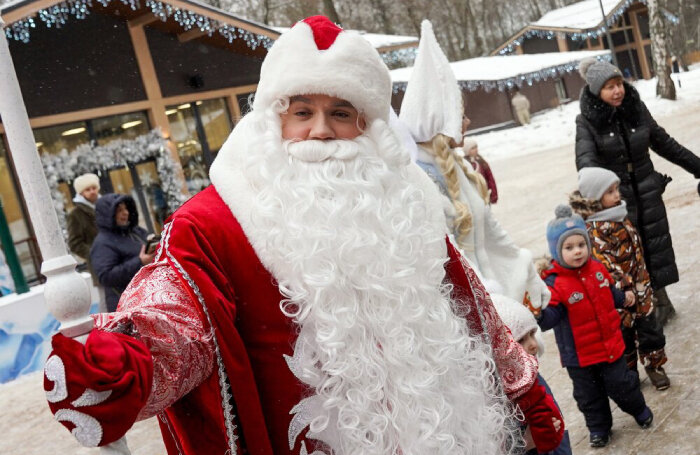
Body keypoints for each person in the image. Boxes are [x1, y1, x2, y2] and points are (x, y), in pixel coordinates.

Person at [43, 16, 565, 455]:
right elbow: (175, 317)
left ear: (369, 126)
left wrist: (527, 393)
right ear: (276, 118)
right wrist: (124, 362)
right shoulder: (213, 222)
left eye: (340, 113)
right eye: (302, 112)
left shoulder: (404, 202)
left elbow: (468, 305)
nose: (320, 130)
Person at [399, 19, 550, 314]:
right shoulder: (417, 180)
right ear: (438, 123)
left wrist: (525, 270)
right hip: (465, 311)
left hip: (493, 302)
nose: (467, 123)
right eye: (461, 116)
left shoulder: (456, 166)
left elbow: (491, 231)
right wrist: (493, 303)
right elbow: (448, 258)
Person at [575, 57, 700, 325]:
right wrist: (599, 195)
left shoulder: (636, 109)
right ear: (597, 91)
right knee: (629, 253)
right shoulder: (587, 122)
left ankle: (662, 301)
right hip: (616, 199)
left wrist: (697, 166)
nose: (617, 90)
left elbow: (664, 143)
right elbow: (585, 161)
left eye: (619, 83)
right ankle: (640, 307)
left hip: (647, 189)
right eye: (609, 87)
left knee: (655, 245)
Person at [539, 204, 653, 448]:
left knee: (622, 384)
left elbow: (610, 295)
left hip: (610, 346)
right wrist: (538, 314)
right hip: (578, 358)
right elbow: (551, 317)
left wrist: (624, 299)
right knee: (589, 397)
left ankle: (639, 408)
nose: (577, 251)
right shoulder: (554, 283)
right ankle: (599, 428)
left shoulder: (598, 269)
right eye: (568, 248)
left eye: (581, 245)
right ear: (556, 251)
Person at [570, 167, 669, 390]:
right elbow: (606, 264)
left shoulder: (620, 214)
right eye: (610, 192)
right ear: (595, 199)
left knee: (650, 329)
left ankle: (655, 365)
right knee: (624, 334)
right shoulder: (595, 229)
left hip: (641, 285)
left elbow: (636, 248)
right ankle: (629, 372)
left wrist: (642, 278)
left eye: (616, 189)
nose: (617, 195)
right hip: (621, 295)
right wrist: (624, 288)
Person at [492, 294, 572, 455]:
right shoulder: (495, 398)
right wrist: (523, 443)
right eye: (521, 340)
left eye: (533, 334)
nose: (534, 345)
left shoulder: (533, 378)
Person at [89, 193, 154, 312]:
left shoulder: (135, 231)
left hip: (146, 298)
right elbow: (106, 276)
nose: (125, 213)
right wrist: (140, 262)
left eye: (126, 208)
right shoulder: (103, 243)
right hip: (127, 305)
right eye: (119, 210)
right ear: (109, 215)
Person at [66, 173, 100, 280]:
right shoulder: (76, 214)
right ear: (81, 193)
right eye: (87, 189)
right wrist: (95, 254)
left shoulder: (107, 206)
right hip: (100, 266)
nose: (92, 191)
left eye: (94, 188)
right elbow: (74, 243)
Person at [462, 136, 498, 204]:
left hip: (485, 194)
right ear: (467, 151)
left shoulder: (482, 162)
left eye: (476, 147)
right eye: (472, 148)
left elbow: (490, 178)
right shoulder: (464, 164)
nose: (476, 149)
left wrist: (494, 194)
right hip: (474, 197)